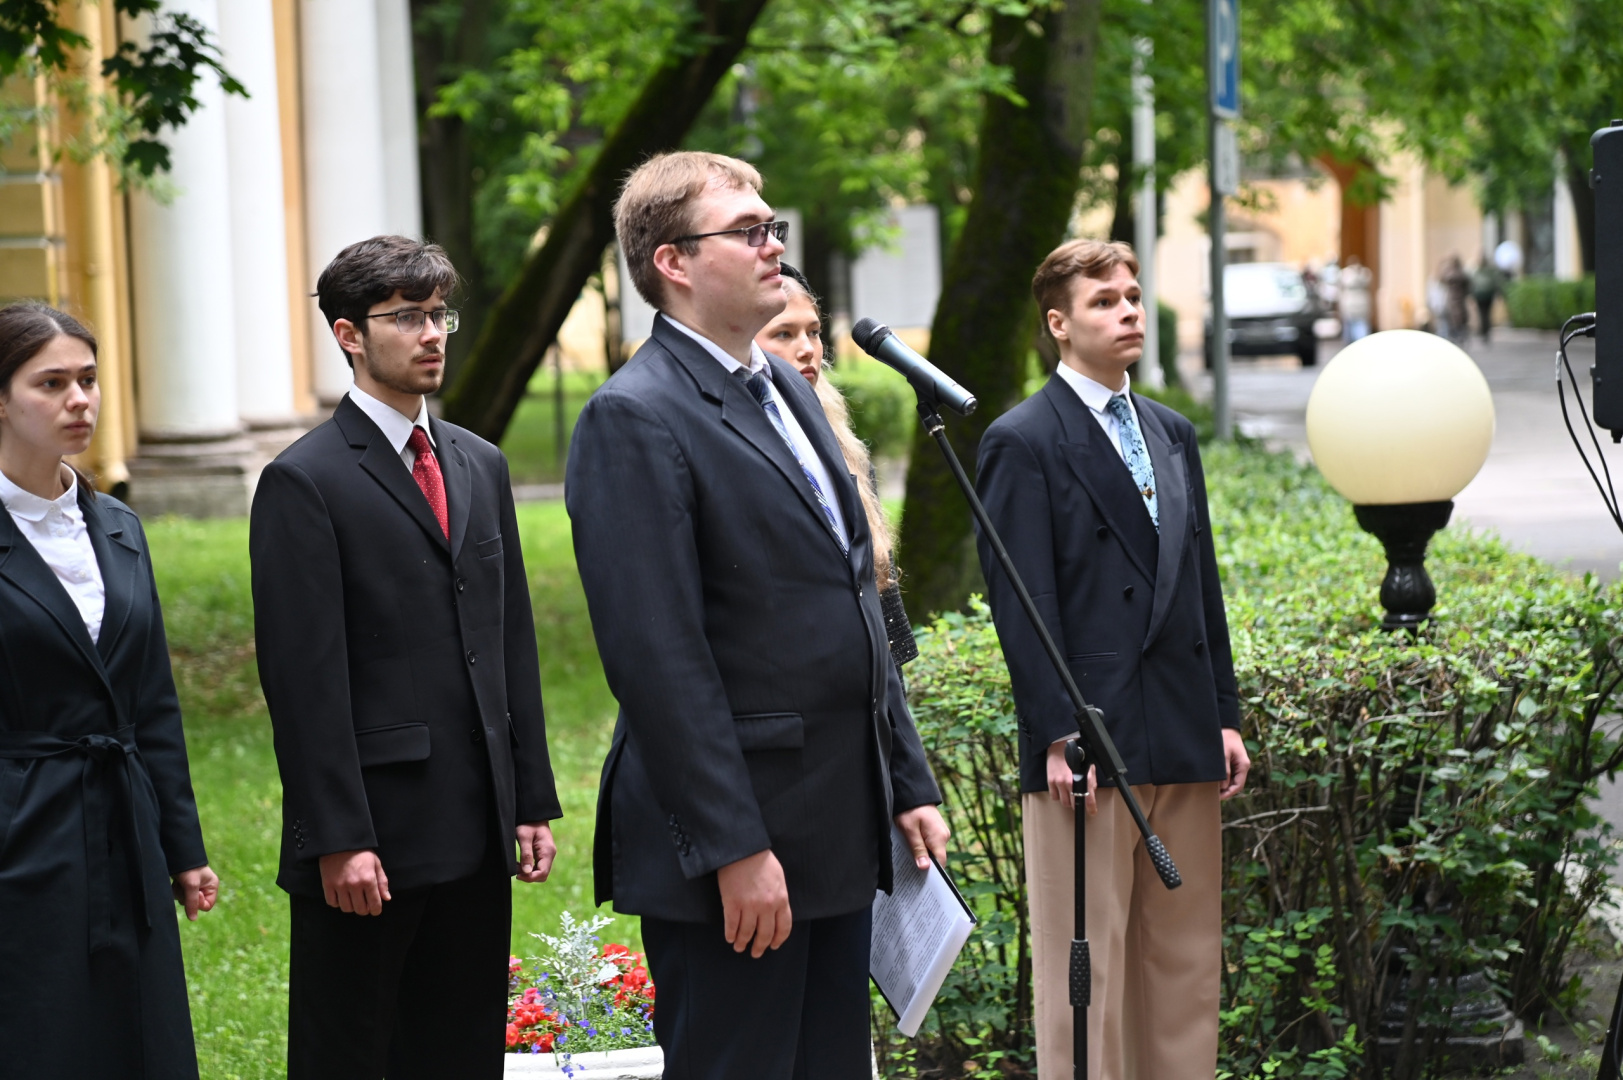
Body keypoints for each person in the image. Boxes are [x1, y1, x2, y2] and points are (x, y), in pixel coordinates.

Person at [567, 151, 948, 1080]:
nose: (773, 244)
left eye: (773, 226)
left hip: (835, 825)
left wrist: (904, 778)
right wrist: (735, 847)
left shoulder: (786, 390)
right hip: (742, 848)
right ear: (673, 261)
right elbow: (658, 657)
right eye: (747, 230)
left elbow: (856, 598)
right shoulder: (635, 417)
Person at [250, 236, 561, 1080]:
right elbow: (302, 680)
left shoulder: (479, 462)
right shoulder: (303, 481)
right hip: (373, 840)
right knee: (353, 1052)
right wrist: (338, 838)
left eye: (438, 315)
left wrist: (528, 797)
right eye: (406, 317)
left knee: (459, 1051)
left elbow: (509, 640)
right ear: (350, 334)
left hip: (475, 823)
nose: (432, 334)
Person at [973, 240, 1249, 1079]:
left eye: (1131, 295)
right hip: (1086, 747)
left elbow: (1200, 586)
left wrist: (1223, 716)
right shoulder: (1019, 440)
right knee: (1083, 974)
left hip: (1179, 725)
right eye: (1103, 301)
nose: (1127, 310)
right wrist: (1057, 734)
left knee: (1185, 958)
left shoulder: (1169, 431)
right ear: (1057, 324)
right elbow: (1023, 604)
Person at [0, 301, 218, 1078]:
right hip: (21, 831)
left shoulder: (119, 527)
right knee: (40, 1033)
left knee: (138, 1037)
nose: (79, 400)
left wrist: (181, 849)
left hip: (123, 826)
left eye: (88, 380)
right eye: (50, 382)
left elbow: (152, 701)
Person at [754, 262, 916, 667]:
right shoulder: (739, 439)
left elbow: (884, 600)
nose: (807, 348)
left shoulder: (841, 442)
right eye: (784, 334)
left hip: (868, 675)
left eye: (814, 331)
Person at [1340, 255, 1373, 341]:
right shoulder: (1345, 273)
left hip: (1361, 305)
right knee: (1350, 328)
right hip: (1350, 305)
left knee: (1361, 328)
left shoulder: (1365, 272)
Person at [1472, 255, 1502, 341]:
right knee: (1487, 314)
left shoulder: (1477, 271)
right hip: (1488, 294)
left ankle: (1484, 331)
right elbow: (1496, 282)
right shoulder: (1490, 271)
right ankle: (1486, 331)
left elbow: (1473, 283)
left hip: (1480, 295)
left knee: (1482, 314)